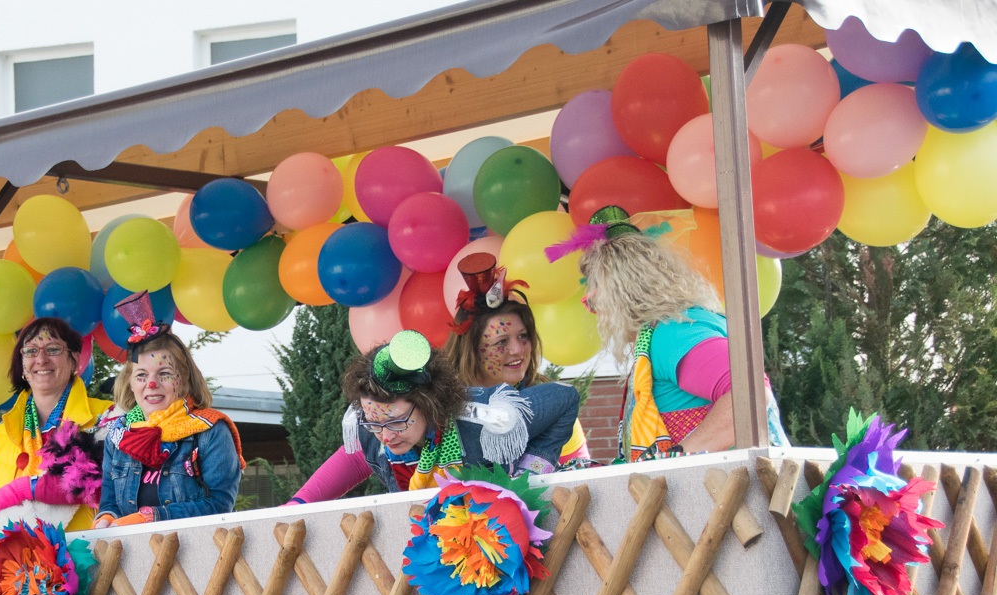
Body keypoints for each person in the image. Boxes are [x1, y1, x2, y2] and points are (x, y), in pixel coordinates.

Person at [551, 205, 789, 460]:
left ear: (622, 294)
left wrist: (676, 460)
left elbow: (750, 394)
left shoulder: (672, 334)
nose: (595, 310)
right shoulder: (675, 327)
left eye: (594, 300)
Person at [286, 329, 580, 503]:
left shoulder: (488, 420)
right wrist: (297, 504)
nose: (385, 436)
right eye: (375, 424)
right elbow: (355, 457)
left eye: (397, 421)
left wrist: (528, 477)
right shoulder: (371, 425)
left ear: (428, 404)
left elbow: (566, 397)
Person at [94, 292, 243, 526]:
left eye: (164, 374)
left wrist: (150, 517)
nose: (151, 384)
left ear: (183, 379)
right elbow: (110, 503)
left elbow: (220, 505)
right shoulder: (118, 435)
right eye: (141, 375)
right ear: (130, 383)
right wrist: (105, 518)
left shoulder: (211, 431)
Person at [445, 254, 594, 467]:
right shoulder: (442, 407)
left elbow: (579, 474)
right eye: (501, 342)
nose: (517, 350)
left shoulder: (549, 405)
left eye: (523, 336)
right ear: (471, 350)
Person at [0, 317, 112, 531]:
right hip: (15, 550)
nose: (41, 359)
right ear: (22, 365)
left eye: (53, 349)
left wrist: (22, 489)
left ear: (74, 359)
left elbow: (106, 486)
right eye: (31, 351)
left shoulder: (105, 415)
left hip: (90, 547)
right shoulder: (0, 434)